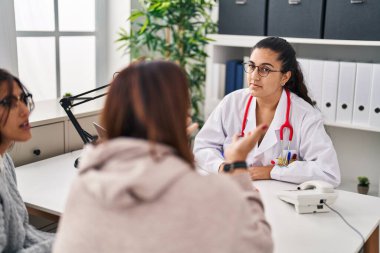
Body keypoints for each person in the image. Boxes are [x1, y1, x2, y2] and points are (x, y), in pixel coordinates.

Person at [53, 60, 273, 253]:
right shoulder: (200, 192)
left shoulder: (85, 180)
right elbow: (259, 246)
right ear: (179, 114)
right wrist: (238, 167)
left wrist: (167, 147)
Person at [193, 37, 341, 187]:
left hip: (279, 200)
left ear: (285, 77)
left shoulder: (305, 115)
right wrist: (223, 167)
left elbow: (328, 172)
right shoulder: (231, 102)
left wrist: (271, 171)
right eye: (251, 66)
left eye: (265, 69)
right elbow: (202, 147)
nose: (254, 76)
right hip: (233, 190)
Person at [0, 68, 54, 252]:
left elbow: (23, 233)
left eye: (23, 99)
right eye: (9, 103)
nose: (25, 110)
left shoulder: (4, 160)